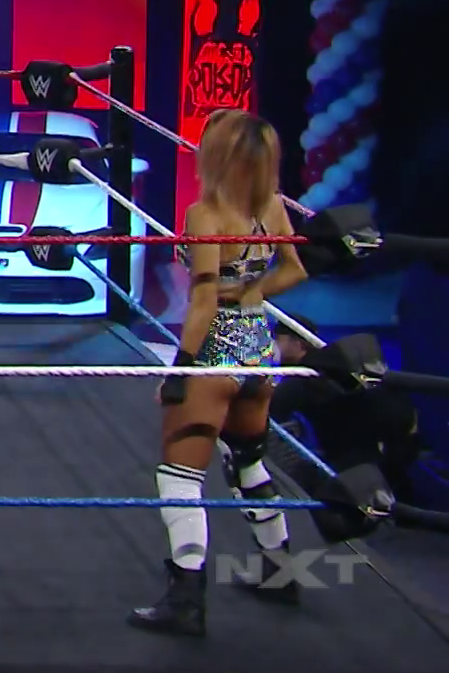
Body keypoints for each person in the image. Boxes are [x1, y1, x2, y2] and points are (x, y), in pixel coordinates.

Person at [130, 109, 307, 637]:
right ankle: (279, 569)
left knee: (179, 474)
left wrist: (179, 370)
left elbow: (204, 301)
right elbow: (294, 270)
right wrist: (252, 292)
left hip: (215, 353)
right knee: (247, 460)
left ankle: (185, 598)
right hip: (258, 351)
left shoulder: (205, 214)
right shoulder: (271, 206)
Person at [271, 321, 426, 508]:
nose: (273, 346)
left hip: (360, 458)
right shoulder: (337, 370)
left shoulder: (308, 379)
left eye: (278, 339)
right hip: (385, 451)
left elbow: (270, 410)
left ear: (298, 344)